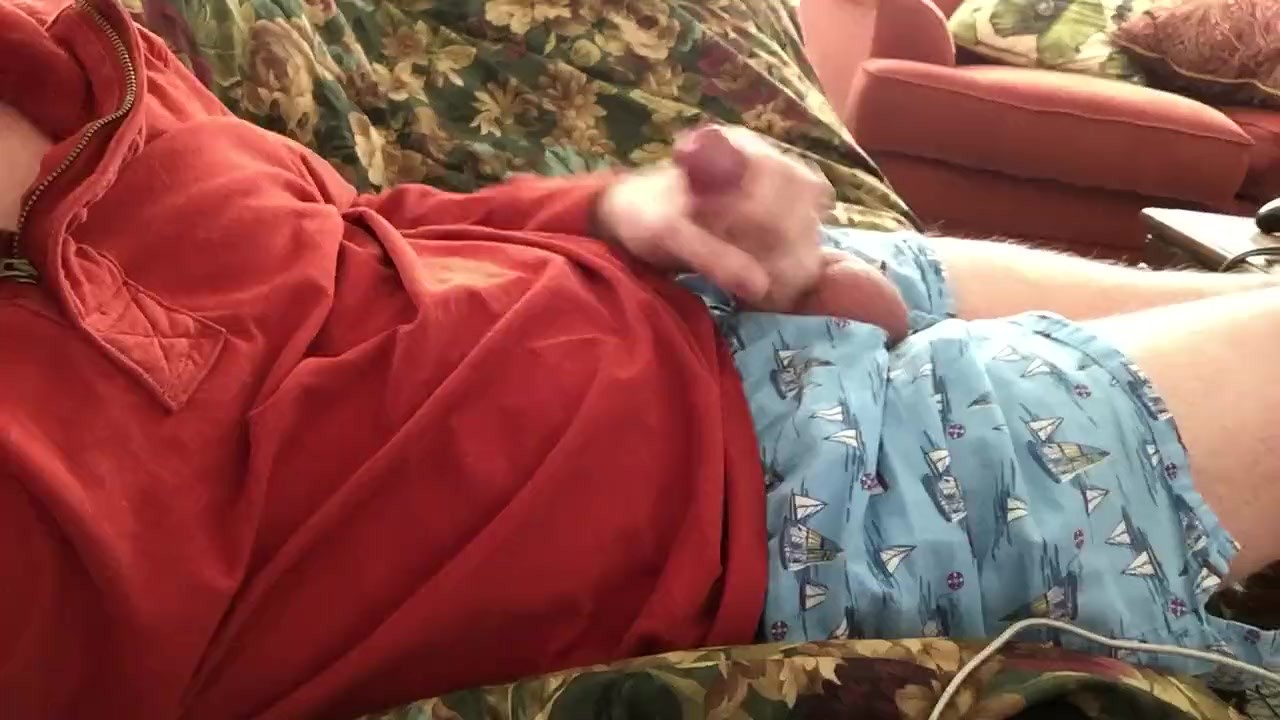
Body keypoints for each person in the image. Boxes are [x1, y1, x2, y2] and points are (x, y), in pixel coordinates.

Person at [1, 0, 1276, 718]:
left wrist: (617, 213)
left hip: (698, 301)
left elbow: (342, 231)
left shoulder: (52, 48)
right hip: (784, 507)